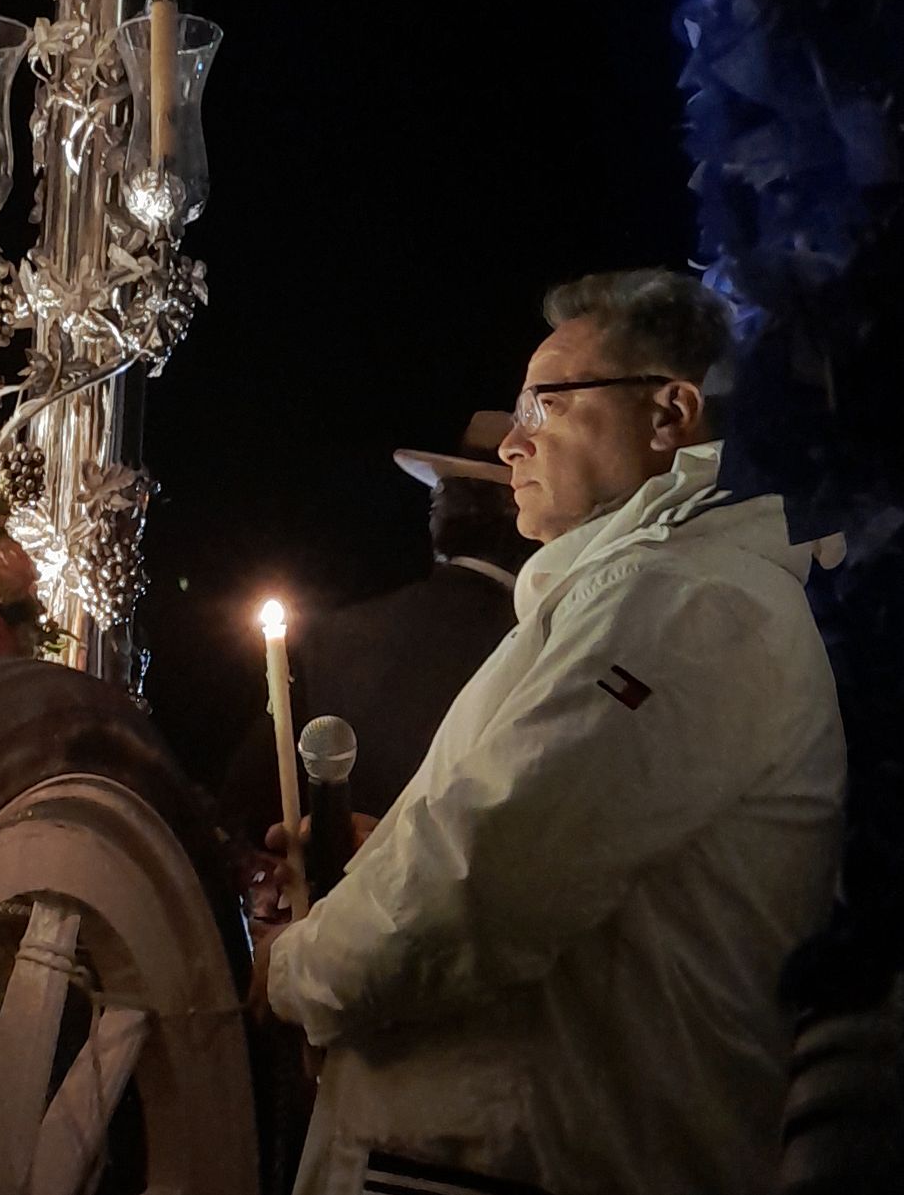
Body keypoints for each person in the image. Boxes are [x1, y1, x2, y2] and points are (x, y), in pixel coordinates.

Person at [253, 268, 845, 1195]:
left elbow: (490, 872)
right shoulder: (633, 595)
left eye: (544, 401)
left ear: (669, 415)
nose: (515, 441)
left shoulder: (687, 605)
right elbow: (531, 833)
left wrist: (295, 973)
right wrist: (378, 862)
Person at [224, 416, 534, 841]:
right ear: (522, 517)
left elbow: (246, 803)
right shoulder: (539, 644)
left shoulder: (335, 635)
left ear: (440, 516)